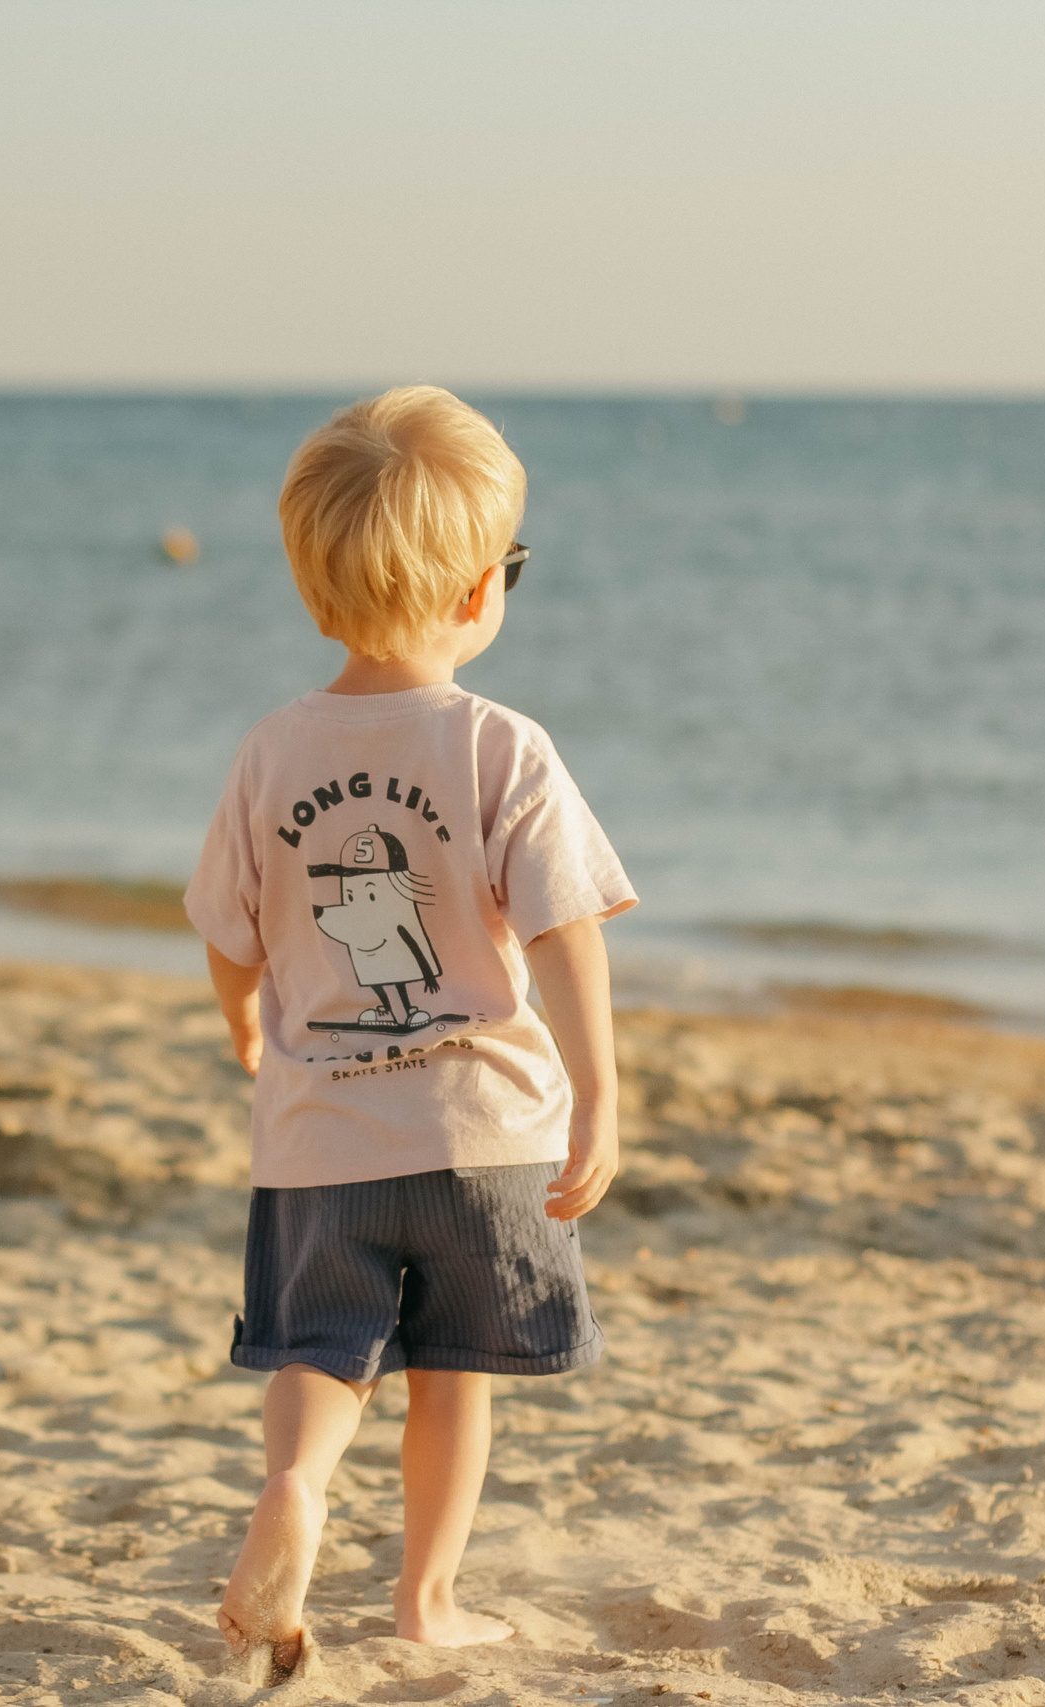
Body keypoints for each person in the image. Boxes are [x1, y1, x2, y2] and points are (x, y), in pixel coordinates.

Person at [184, 385, 634, 1672]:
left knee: (324, 1355)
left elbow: (231, 932)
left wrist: (243, 1032)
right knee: (454, 1372)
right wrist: (598, 1096)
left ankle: (297, 1488)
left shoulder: (270, 755)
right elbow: (564, 931)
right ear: (477, 593)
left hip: (321, 1134)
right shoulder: (501, 747)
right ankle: (425, 1601)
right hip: (483, 1132)